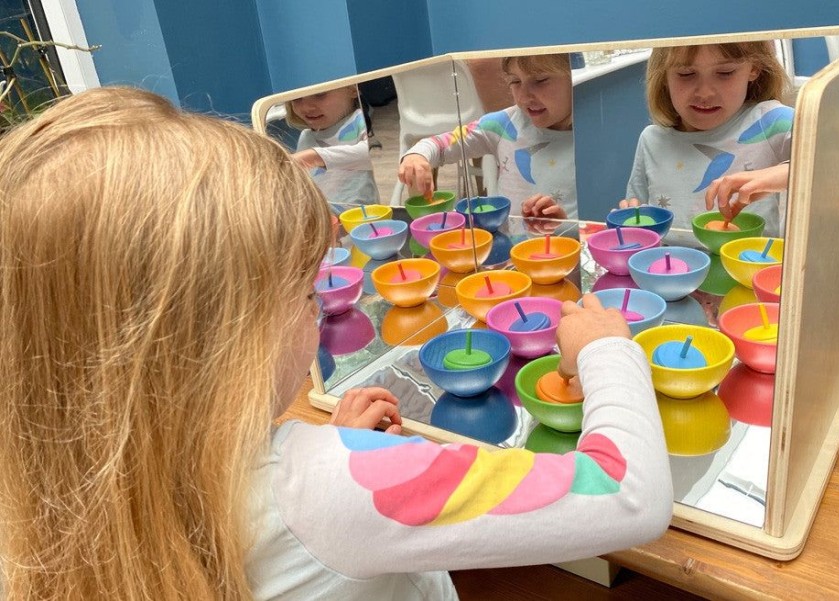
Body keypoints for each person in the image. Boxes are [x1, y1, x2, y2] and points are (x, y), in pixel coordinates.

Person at [0, 87, 672, 600]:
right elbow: (628, 491)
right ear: (224, 339)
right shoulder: (331, 485)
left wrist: (338, 448)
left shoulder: (42, 495)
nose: (317, 305)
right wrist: (605, 349)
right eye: (300, 293)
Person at [620, 42, 794, 241]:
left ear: (754, 68)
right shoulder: (651, 140)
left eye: (725, 72)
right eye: (686, 74)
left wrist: (785, 173)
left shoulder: (770, 121)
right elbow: (638, 225)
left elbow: (833, 162)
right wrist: (630, 220)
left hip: (747, 271)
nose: (705, 93)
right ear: (664, 75)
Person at [398, 53, 576, 221]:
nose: (524, 96)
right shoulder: (504, 124)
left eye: (540, 80)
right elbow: (440, 144)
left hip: (568, 250)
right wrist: (418, 156)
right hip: (509, 251)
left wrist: (563, 227)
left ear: (575, 76)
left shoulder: (594, 134)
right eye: (515, 81)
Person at [286, 85, 381, 205]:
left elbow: (369, 153)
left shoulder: (357, 120)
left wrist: (316, 156)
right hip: (322, 213)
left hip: (359, 214)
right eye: (296, 98)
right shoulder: (306, 136)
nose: (306, 108)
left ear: (352, 89)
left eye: (319, 94)